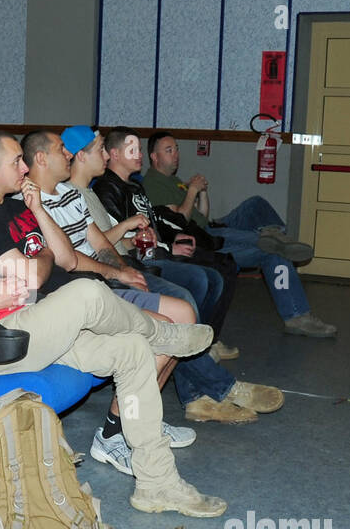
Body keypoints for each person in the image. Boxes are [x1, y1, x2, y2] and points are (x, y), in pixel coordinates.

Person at [0, 116, 227, 519]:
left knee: (131, 350)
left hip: (16, 320)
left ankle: (157, 482)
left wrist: (10, 292)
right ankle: (167, 335)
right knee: (88, 292)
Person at [0, 130, 199, 472]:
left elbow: (65, 258)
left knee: (166, 327)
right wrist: (44, 258)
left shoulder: (21, 206)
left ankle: (131, 427)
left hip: (71, 291)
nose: (24, 169)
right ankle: (117, 434)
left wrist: (39, 212)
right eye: (16, 162)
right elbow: (35, 277)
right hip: (46, 307)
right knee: (161, 332)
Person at [26, 127, 282, 424]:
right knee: (180, 309)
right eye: (62, 150)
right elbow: (68, 259)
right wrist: (118, 271)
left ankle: (160, 413)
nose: (67, 154)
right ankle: (218, 390)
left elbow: (99, 242)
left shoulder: (71, 194)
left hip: (108, 274)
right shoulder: (30, 203)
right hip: (81, 288)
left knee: (188, 304)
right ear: (42, 159)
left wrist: (123, 269)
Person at [143, 132, 337, 338]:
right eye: (169, 150)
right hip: (202, 241)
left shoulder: (172, 181)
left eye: (177, 149)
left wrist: (202, 192)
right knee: (271, 251)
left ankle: (275, 234)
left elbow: (202, 216)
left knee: (256, 206)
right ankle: (298, 316)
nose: (176, 155)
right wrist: (192, 190)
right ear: (154, 157)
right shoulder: (153, 184)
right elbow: (178, 221)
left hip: (208, 228)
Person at [83, 125, 236, 360]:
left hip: (156, 251)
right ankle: (196, 355)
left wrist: (169, 243)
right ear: (114, 154)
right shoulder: (106, 189)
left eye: (140, 150)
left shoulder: (135, 186)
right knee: (201, 280)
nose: (140, 155)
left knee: (218, 271)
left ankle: (205, 344)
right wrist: (152, 243)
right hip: (138, 259)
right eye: (132, 150)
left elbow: (154, 225)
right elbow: (114, 242)